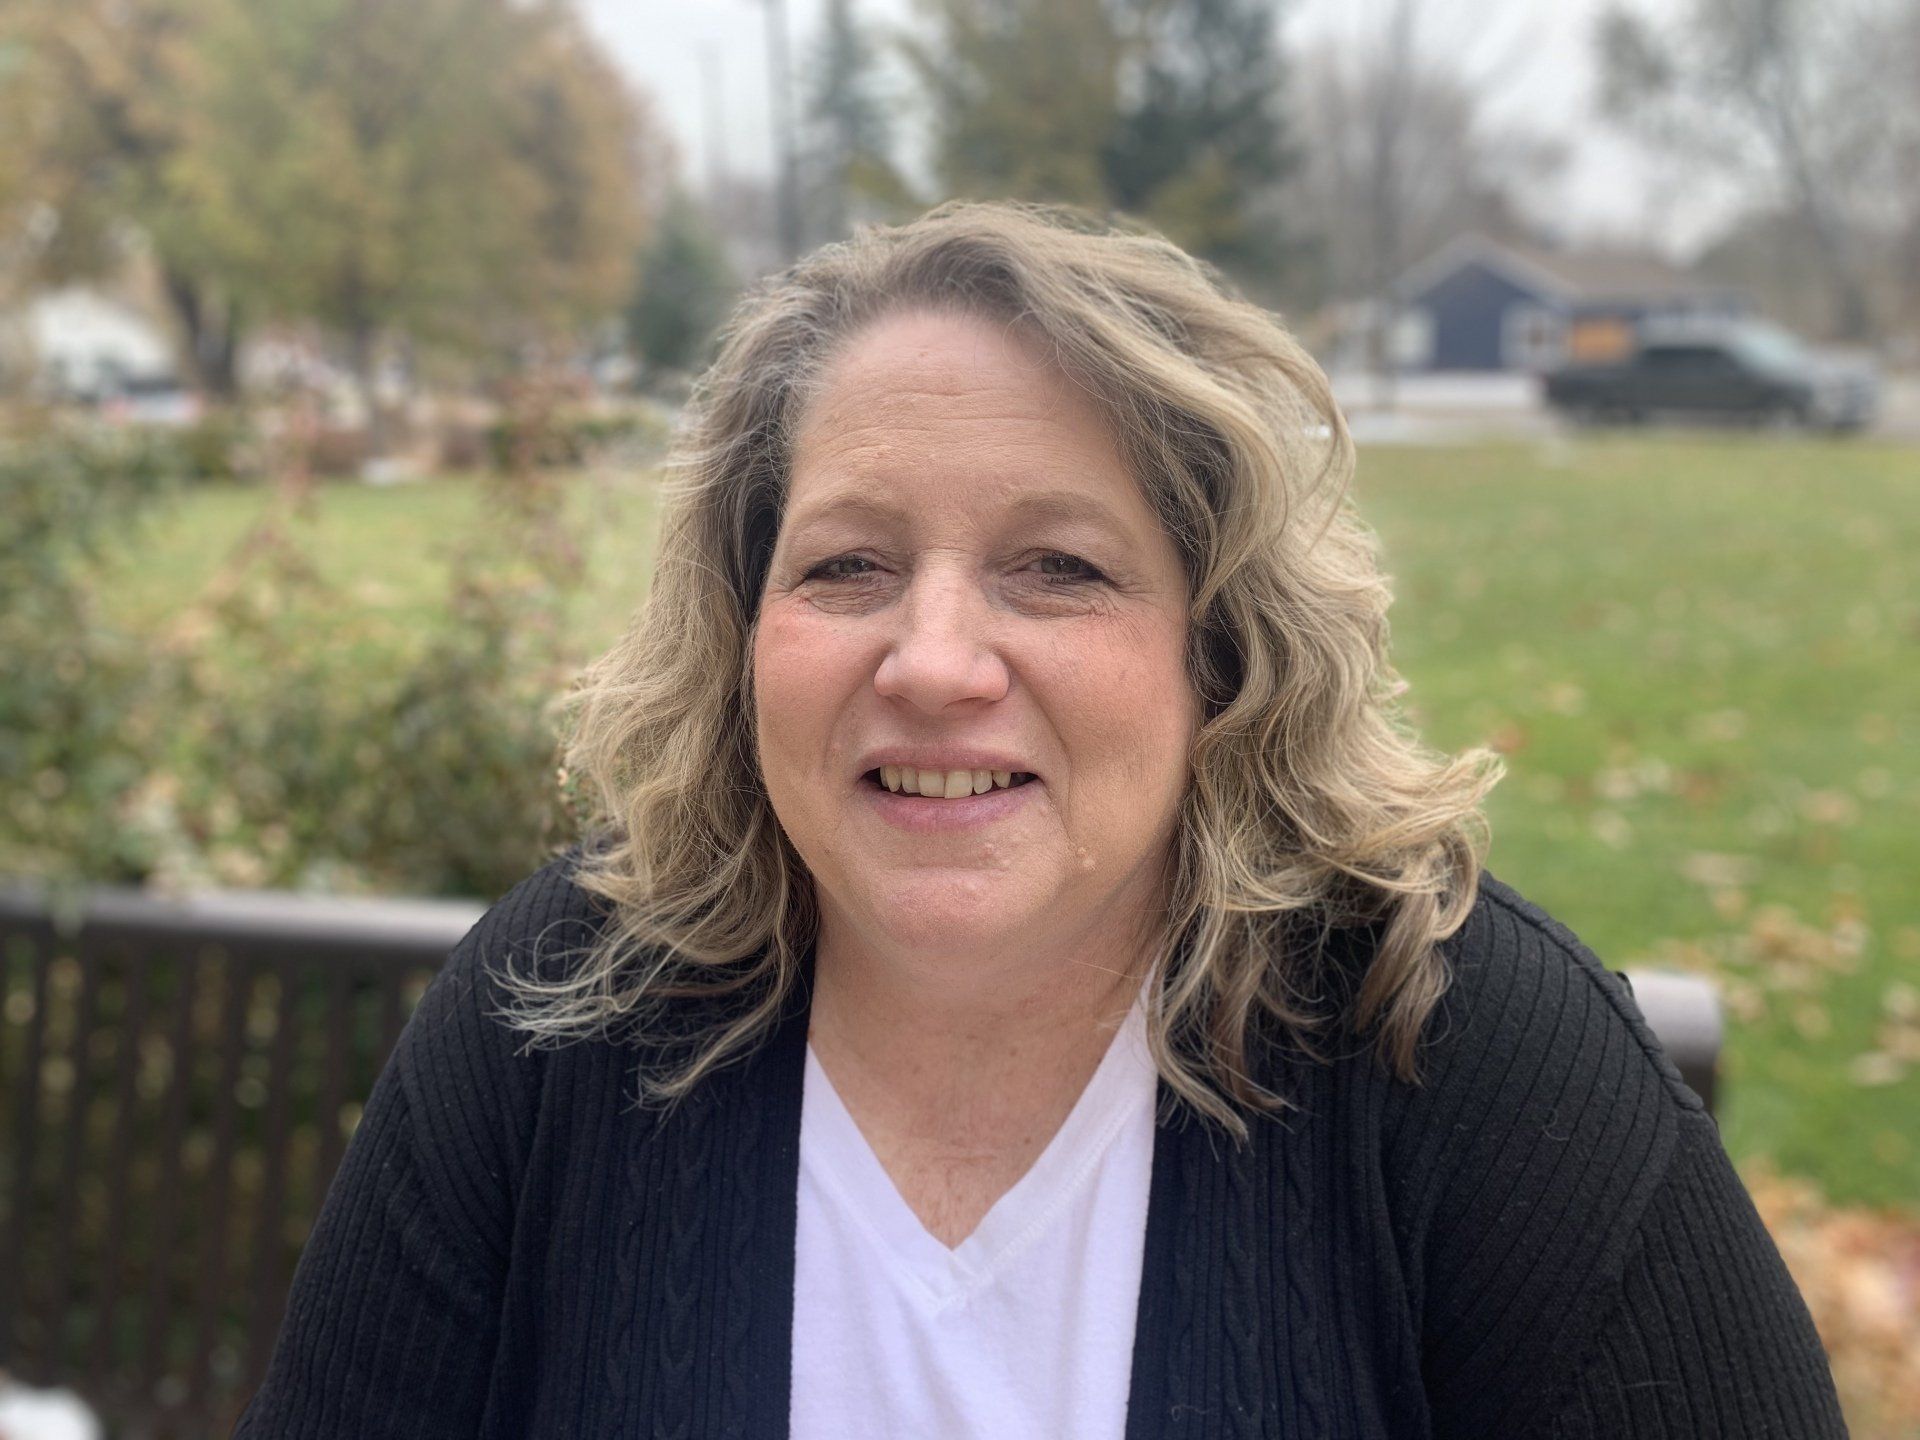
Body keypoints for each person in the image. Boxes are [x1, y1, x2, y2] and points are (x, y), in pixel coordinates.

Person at [232, 202, 1846, 1439]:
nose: (932, 662)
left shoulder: (1460, 1051)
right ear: (742, 638)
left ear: (1219, 654)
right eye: (847, 565)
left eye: (1058, 567)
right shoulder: (552, 1022)